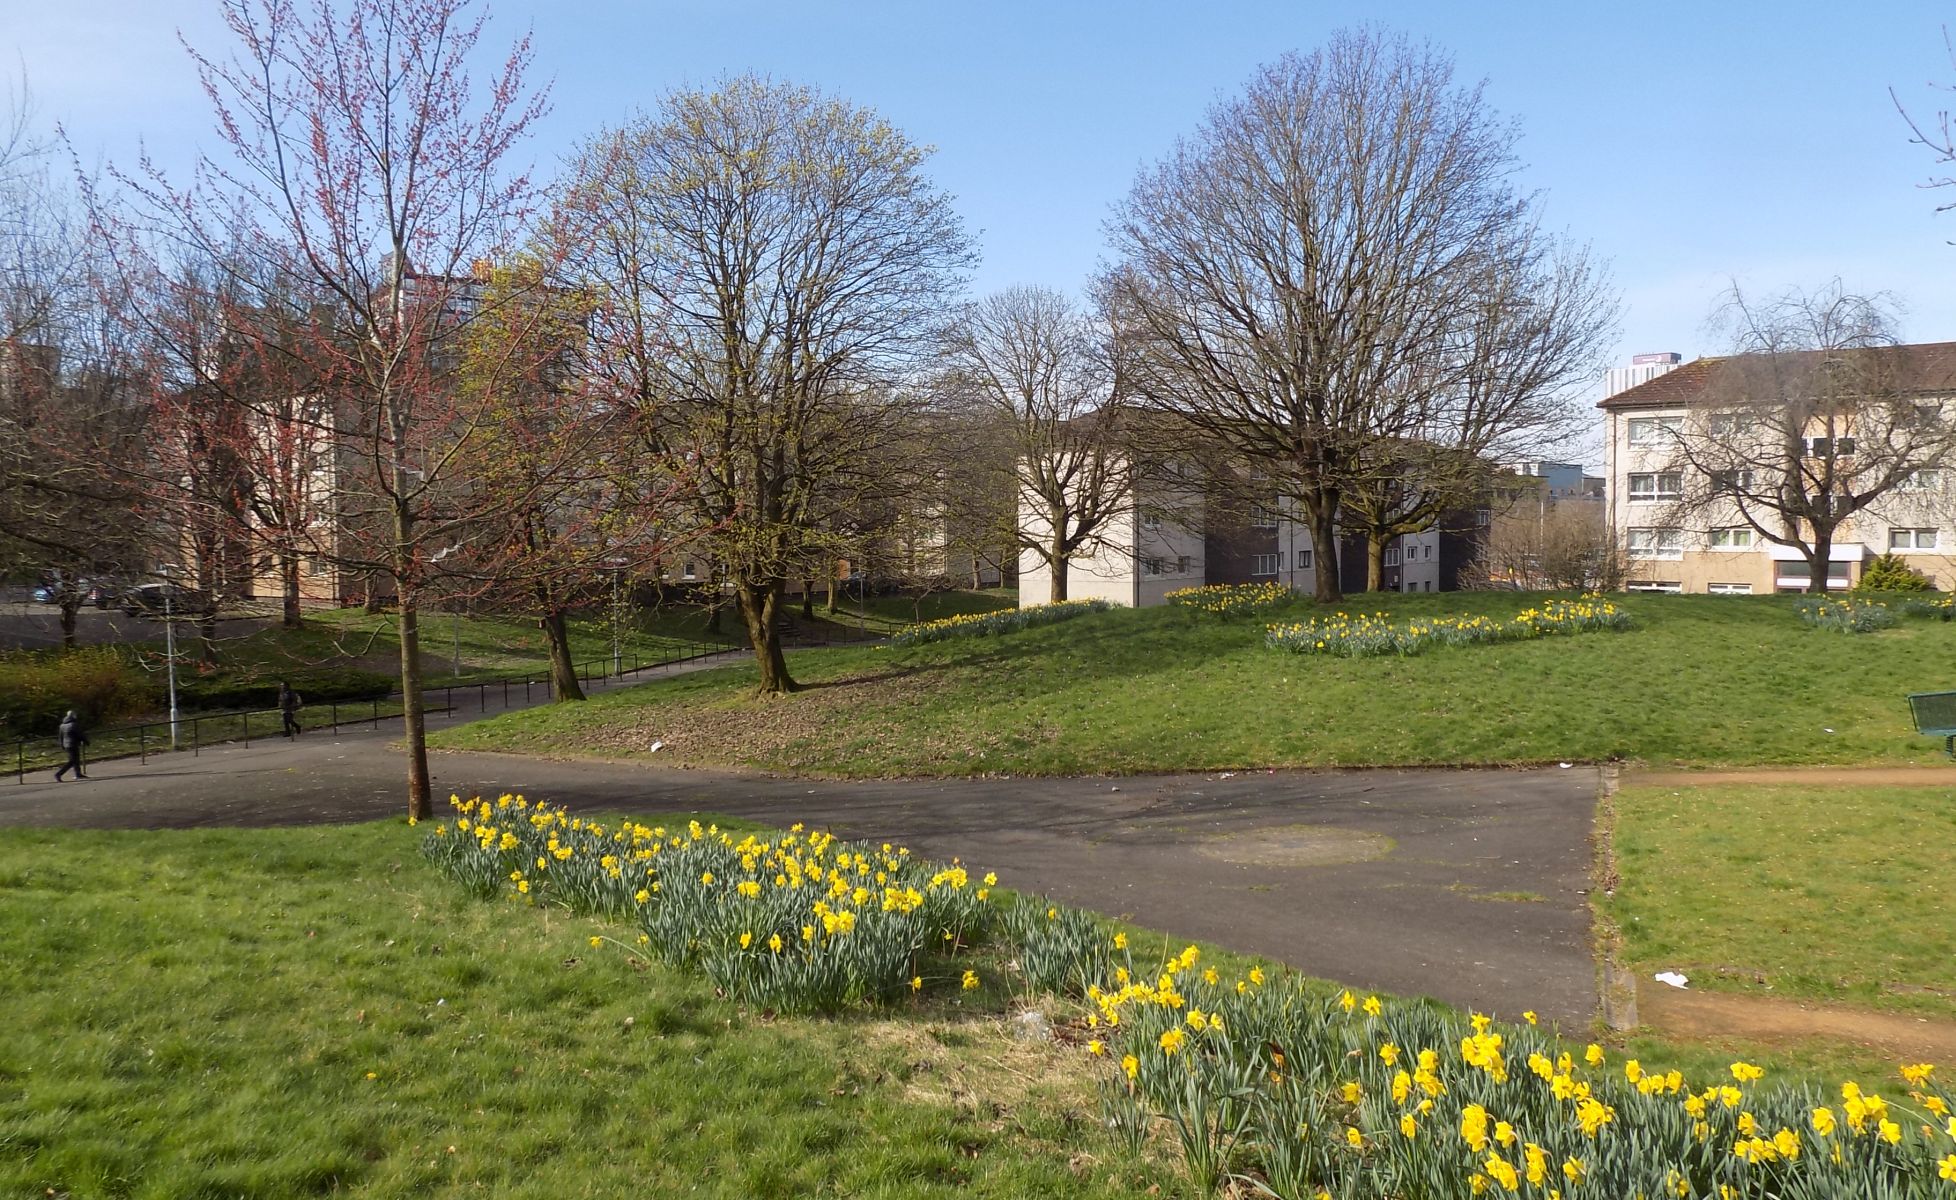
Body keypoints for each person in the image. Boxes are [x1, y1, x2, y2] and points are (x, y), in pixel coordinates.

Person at [53, 709, 88, 781]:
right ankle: (58, 774)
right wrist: (86, 741)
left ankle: (78, 773)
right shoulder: (74, 724)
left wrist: (62, 745)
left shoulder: (62, 725)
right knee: (72, 761)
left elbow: (61, 736)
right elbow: (79, 734)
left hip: (67, 745)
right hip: (73, 744)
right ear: (73, 716)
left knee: (76, 759)